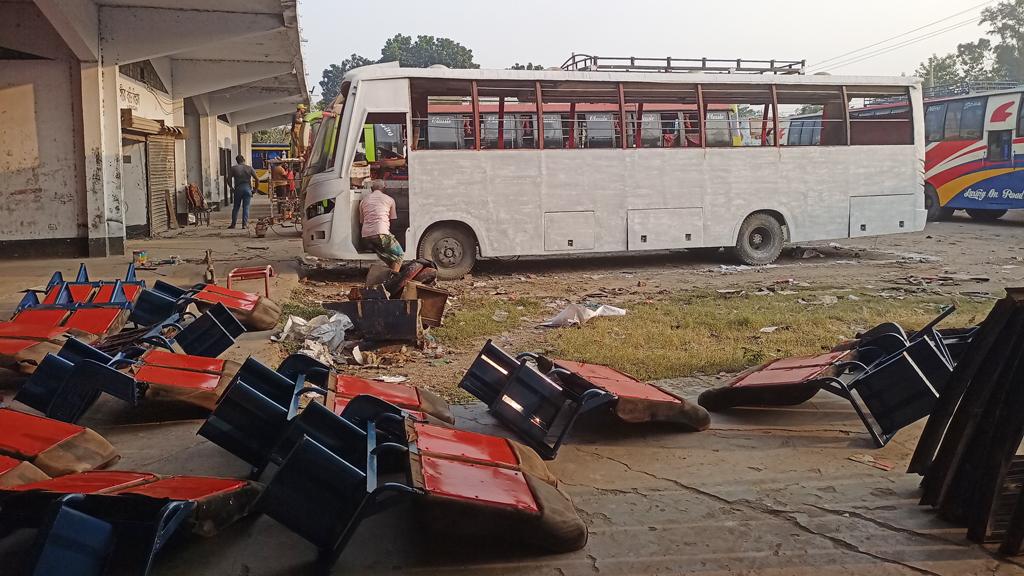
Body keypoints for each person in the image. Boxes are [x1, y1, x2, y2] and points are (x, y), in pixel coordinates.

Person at [359, 180, 403, 273]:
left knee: (389, 256)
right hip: (381, 234)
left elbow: (361, 221)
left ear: (371, 189)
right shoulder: (389, 199)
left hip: (366, 236)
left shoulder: (363, 201)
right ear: (384, 188)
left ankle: (389, 273)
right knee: (399, 255)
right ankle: (393, 280)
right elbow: (393, 219)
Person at [228, 154, 257, 229]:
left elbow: (228, 179)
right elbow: (257, 179)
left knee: (236, 207)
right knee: (246, 207)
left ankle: (233, 224)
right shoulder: (249, 168)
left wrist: (231, 188)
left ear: (237, 161)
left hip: (238, 189)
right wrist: (255, 190)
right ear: (244, 160)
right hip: (247, 189)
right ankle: (244, 224)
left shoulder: (233, 168)